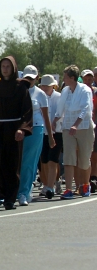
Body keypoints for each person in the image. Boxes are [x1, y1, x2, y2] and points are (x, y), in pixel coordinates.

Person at [0, 57, 33, 212]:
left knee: (12, 165)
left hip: (14, 129)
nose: (5, 69)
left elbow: (27, 111)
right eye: (3, 66)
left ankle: (10, 198)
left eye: (8, 66)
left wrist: (22, 129)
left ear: (14, 68)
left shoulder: (21, 88)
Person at [54, 65, 95, 198]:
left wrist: (76, 125)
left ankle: (85, 184)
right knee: (68, 158)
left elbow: (86, 109)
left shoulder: (85, 90)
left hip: (84, 127)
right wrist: (55, 120)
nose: (64, 79)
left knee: (84, 160)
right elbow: (60, 108)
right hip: (67, 127)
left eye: (65, 76)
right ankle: (69, 189)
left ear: (72, 78)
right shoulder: (65, 90)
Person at [17, 66, 55, 205]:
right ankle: (21, 189)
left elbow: (46, 117)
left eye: (32, 79)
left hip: (36, 128)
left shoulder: (40, 94)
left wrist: (50, 136)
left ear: (37, 79)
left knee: (29, 162)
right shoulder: (18, 91)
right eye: (27, 78)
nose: (29, 81)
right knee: (18, 161)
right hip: (20, 128)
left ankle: (23, 192)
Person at [38, 75, 62, 198]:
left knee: (53, 159)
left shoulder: (59, 97)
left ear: (53, 85)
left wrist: (55, 123)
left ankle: (50, 186)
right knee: (45, 160)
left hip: (56, 132)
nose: (45, 87)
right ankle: (47, 184)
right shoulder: (39, 96)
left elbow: (62, 112)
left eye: (47, 85)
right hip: (42, 132)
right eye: (43, 85)